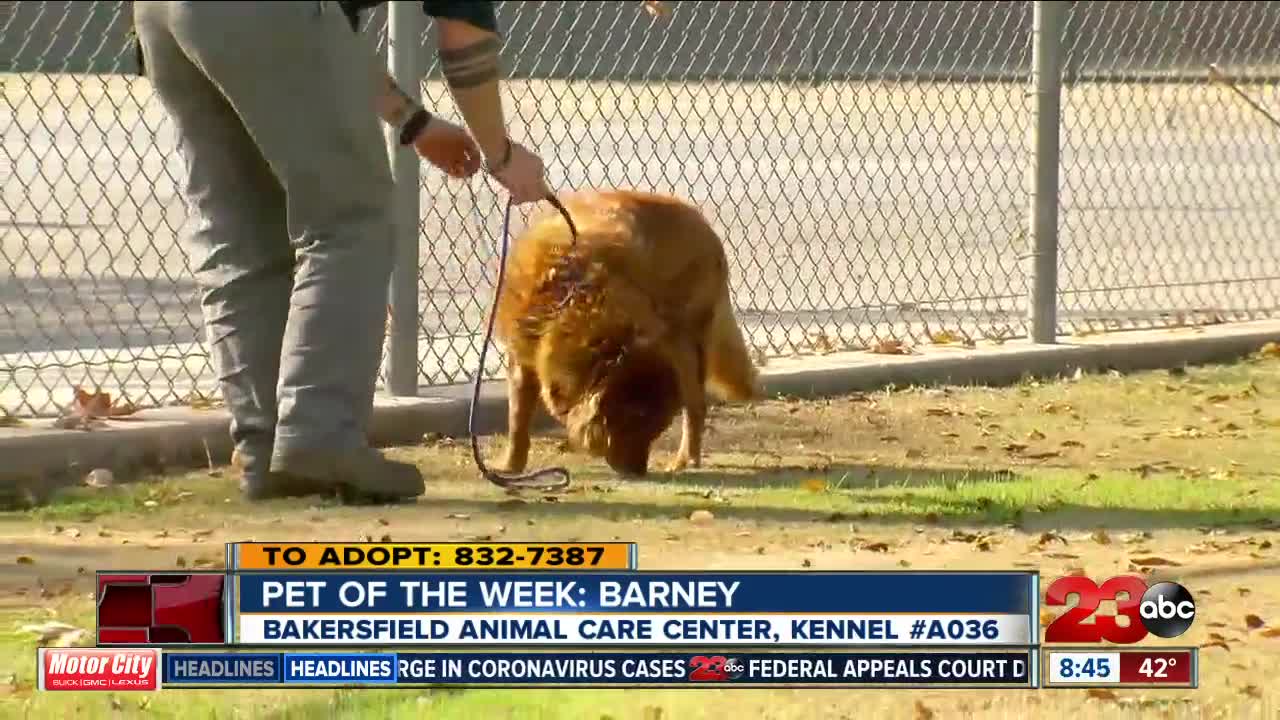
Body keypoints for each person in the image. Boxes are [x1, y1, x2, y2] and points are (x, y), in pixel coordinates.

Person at [131, 0, 550, 503]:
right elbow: (463, 36)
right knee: (350, 222)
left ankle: (266, 452)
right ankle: (319, 436)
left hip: (165, 14)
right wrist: (500, 152)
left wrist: (413, 122)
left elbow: (327, 37)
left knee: (242, 233)